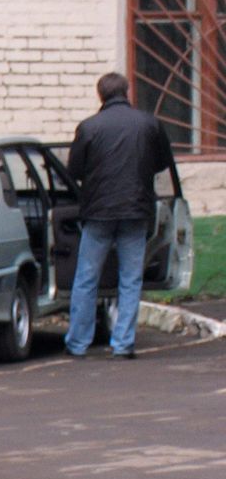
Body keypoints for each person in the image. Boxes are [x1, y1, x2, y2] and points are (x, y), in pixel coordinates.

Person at [64, 72, 175, 359]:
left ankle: (78, 342)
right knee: (130, 279)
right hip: (136, 210)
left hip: (98, 212)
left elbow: (74, 171)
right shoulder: (149, 124)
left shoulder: (89, 128)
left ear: (100, 95)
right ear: (127, 92)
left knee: (87, 277)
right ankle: (123, 343)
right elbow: (163, 162)